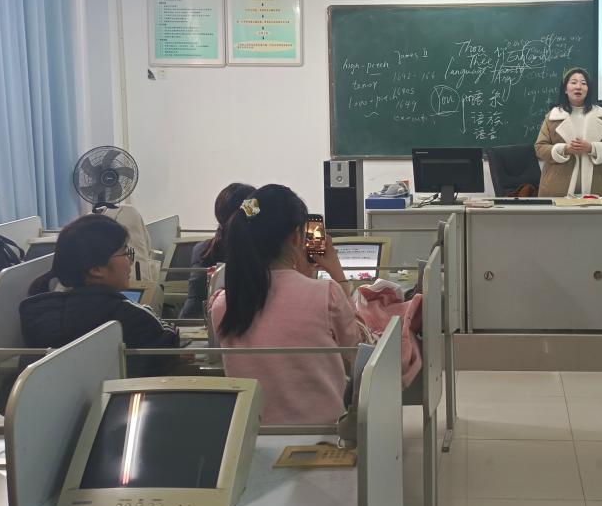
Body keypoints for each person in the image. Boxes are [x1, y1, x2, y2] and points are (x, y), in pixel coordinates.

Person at [209, 184, 363, 425]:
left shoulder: (221, 304)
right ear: (296, 237)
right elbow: (358, 350)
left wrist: (302, 276)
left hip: (250, 437)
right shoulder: (326, 294)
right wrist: (337, 274)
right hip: (320, 435)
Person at [20, 214, 179, 376]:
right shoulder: (130, 316)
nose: (130, 262)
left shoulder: (39, 314)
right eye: (125, 253)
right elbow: (169, 346)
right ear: (96, 269)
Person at [534, 68, 602, 197]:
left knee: (594, 210)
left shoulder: (601, 115)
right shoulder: (553, 116)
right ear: (565, 89)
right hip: (556, 186)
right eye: (573, 82)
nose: (578, 87)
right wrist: (564, 149)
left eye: (583, 83)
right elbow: (540, 147)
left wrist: (591, 148)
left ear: (588, 89)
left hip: (594, 186)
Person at [180, 182, 256, 319]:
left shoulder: (201, 248)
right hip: (220, 322)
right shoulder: (255, 250)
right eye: (255, 207)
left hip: (191, 321)